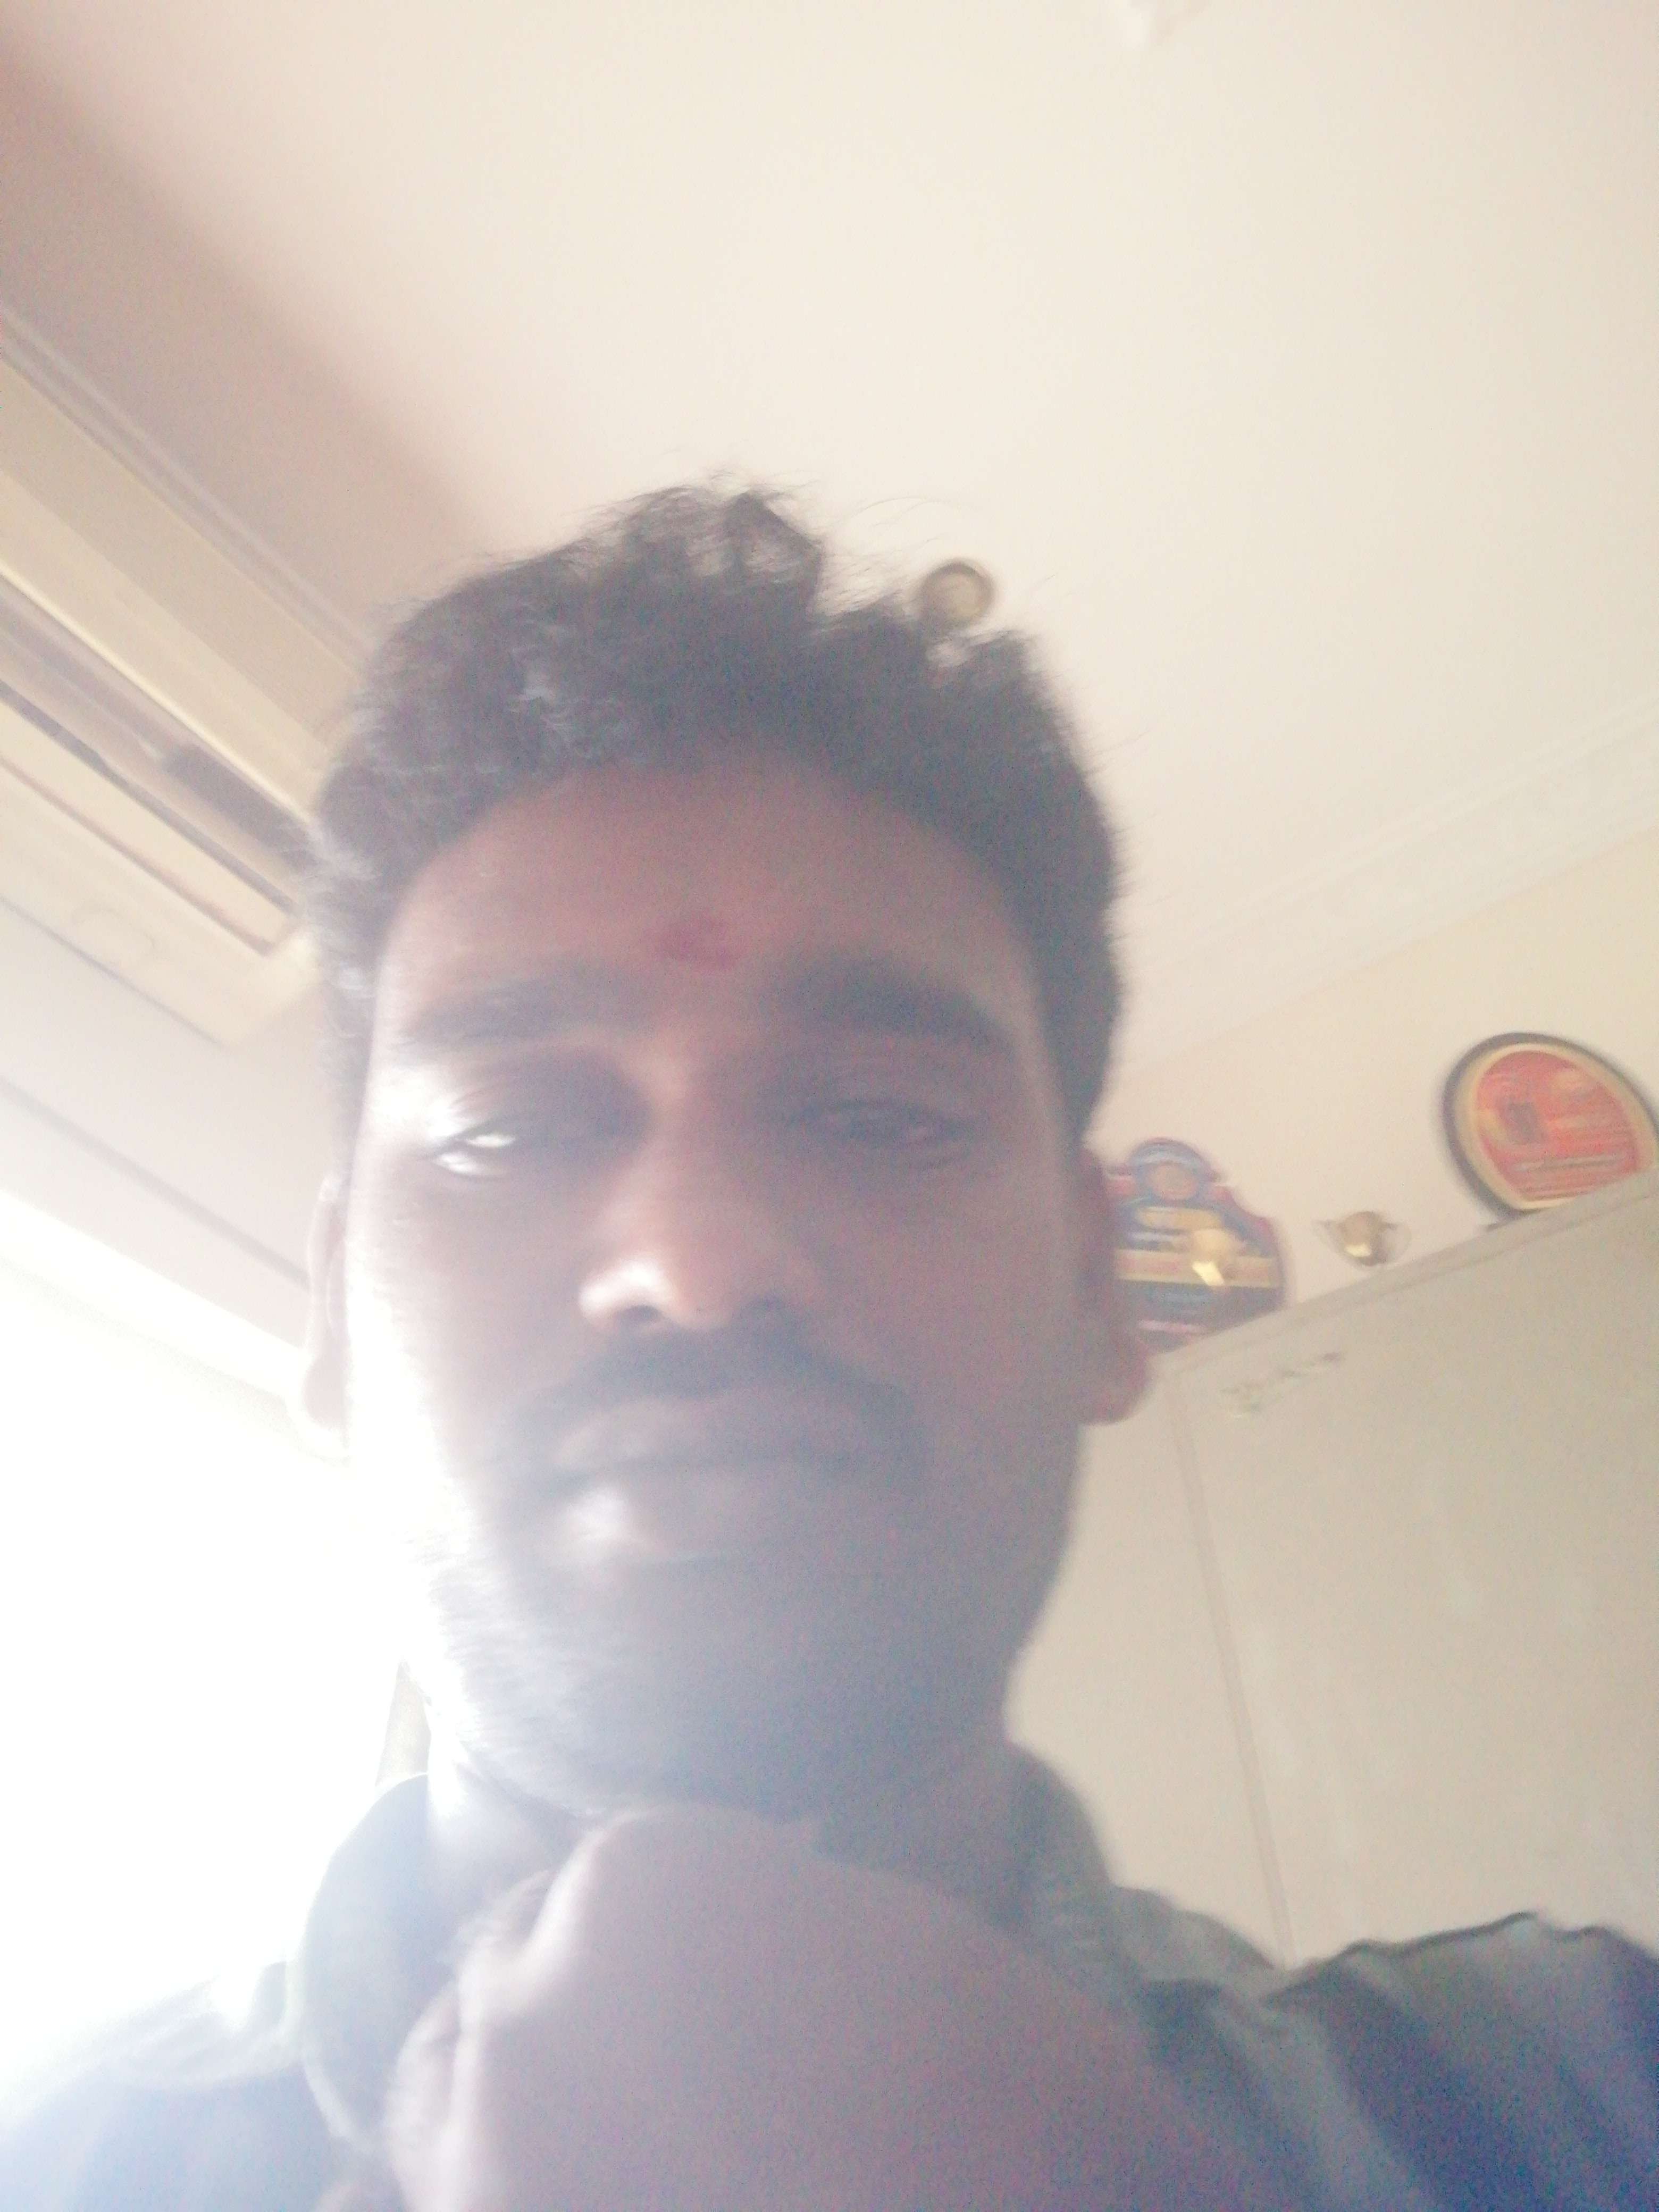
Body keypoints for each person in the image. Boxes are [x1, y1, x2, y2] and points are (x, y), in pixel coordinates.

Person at [3, 488, 1654, 2210]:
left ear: (1102, 1293)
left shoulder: (1573, 2087)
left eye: (881, 1117)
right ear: (335, 1313)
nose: (695, 1260)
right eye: (505, 1131)